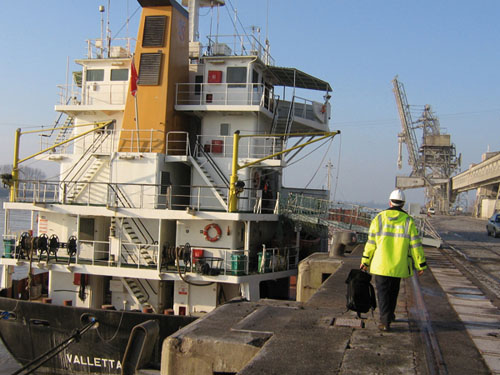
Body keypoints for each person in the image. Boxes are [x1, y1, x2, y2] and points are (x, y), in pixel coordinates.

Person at [360, 189, 427, 331]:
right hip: (399, 265)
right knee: (393, 291)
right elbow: (415, 244)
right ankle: (389, 315)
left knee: (382, 292)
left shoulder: (379, 218)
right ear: (403, 204)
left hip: (381, 264)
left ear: (389, 202)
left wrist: (365, 261)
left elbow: (371, 243)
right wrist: (420, 264)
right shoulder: (408, 221)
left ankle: (385, 321)